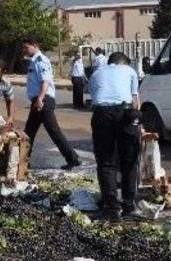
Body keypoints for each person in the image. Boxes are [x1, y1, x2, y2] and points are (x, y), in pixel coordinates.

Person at [88, 51, 141, 220]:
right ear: (123, 63)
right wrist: (139, 125)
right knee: (129, 160)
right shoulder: (130, 71)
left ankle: (111, 209)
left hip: (101, 114)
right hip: (125, 113)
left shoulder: (96, 73)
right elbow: (135, 101)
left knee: (106, 162)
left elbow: (94, 97)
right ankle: (129, 206)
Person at [22, 39, 81, 170]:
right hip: (38, 101)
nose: (25, 50)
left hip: (43, 100)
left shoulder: (41, 61)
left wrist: (40, 99)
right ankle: (24, 162)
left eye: (26, 47)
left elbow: (46, 81)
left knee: (53, 131)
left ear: (35, 45)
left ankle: (73, 158)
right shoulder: (33, 61)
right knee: (28, 133)